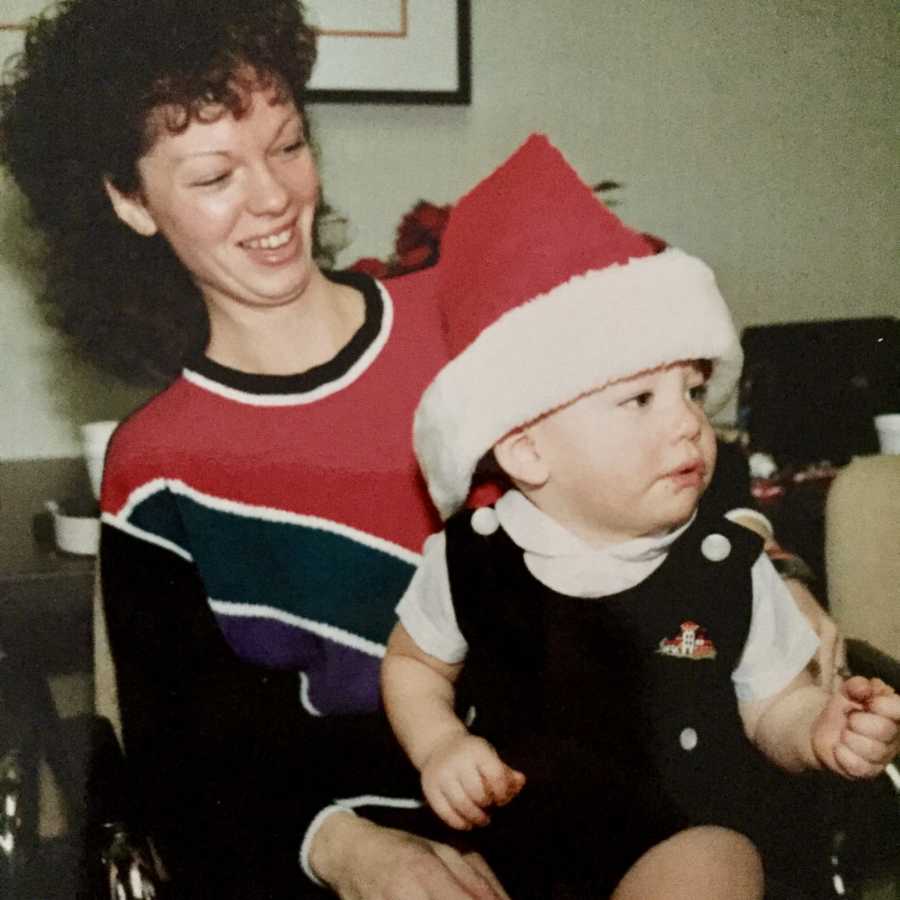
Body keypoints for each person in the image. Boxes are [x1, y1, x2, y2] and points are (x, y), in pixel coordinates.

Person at [0, 1, 847, 895]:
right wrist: (349, 849)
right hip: (362, 848)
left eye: (287, 146)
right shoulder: (157, 467)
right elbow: (188, 762)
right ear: (128, 201)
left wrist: (779, 575)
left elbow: (679, 450)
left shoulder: (468, 323)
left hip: (621, 802)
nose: (274, 196)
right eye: (214, 176)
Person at [380, 134, 900, 898]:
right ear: (526, 451)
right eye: (639, 400)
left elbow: (775, 707)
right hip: (524, 854)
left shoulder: (728, 565)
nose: (689, 423)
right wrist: (441, 745)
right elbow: (414, 665)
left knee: (710, 864)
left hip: (687, 838)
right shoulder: (469, 558)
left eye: (692, 391)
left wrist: (817, 730)